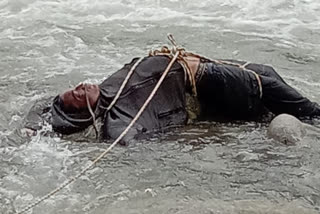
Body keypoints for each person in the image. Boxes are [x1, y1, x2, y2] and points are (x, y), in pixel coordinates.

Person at [23, 47, 320, 144]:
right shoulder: (120, 115)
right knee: (260, 83)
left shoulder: (105, 88)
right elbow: (121, 139)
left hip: (196, 63)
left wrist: (32, 126)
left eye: (76, 86)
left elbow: (43, 104)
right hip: (201, 80)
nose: (81, 86)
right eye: (77, 95)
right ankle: (314, 115)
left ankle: (291, 119)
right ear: (84, 112)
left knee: (265, 71)